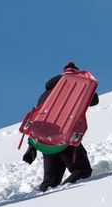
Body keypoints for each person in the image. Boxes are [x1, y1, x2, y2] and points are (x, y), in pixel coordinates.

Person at [22, 62, 99, 191]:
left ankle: (44, 202)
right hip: (64, 139)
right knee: (82, 170)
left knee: (50, 183)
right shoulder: (78, 88)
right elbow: (94, 100)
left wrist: (32, 146)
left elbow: (38, 120)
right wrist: (84, 82)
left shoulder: (45, 94)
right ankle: (66, 193)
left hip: (45, 142)